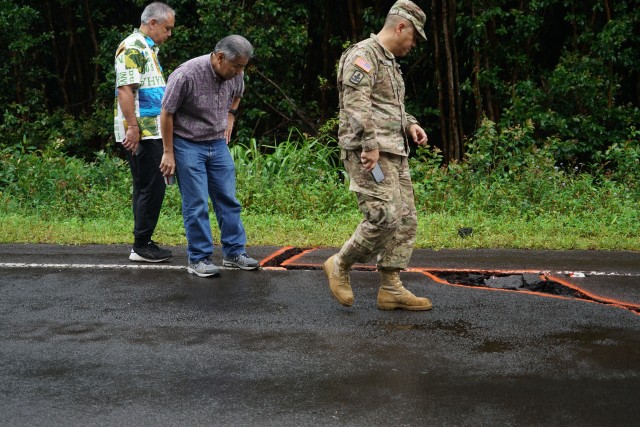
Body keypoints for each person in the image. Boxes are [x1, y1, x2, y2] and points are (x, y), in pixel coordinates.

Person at [323, 0, 433, 310]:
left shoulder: (389, 63)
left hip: (395, 151)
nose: (413, 44)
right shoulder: (363, 55)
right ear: (401, 27)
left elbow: (388, 106)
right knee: (385, 217)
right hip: (369, 153)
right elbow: (357, 104)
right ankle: (340, 264)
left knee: (406, 220)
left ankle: (390, 287)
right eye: (413, 37)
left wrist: (410, 124)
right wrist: (369, 144)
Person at [159, 35, 260, 277]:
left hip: (217, 143)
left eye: (243, 67)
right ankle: (199, 258)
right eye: (236, 66)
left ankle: (234, 253)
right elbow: (166, 113)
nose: (239, 72)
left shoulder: (237, 74)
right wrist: (168, 152)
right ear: (220, 57)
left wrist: (231, 116)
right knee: (196, 204)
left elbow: (238, 94)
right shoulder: (186, 74)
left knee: (228, 199)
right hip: (187, 144)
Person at [114, 2, 175, 263]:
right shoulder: (133, 46)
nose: (169, 33)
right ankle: (141, 245)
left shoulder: (148, 48)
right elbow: (125, 89)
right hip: (143, 131)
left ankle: (144, 241)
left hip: (152, 129)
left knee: (148, 185)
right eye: (167, 28)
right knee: (150, 186)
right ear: (153, 23)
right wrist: (133, 128)